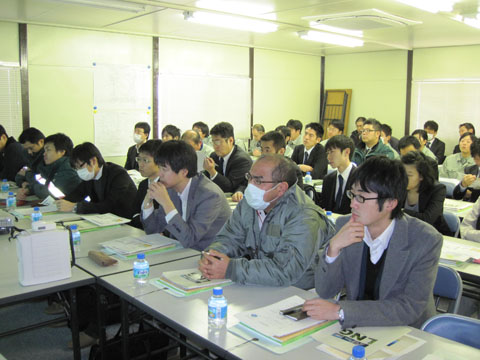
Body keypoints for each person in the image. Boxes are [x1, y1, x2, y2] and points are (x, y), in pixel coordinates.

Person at [303, 156, 442, 328]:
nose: (352, 204)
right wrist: (334, 249)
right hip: (358, 327)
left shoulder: (424, 239)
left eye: (361, 198)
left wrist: (341, 311)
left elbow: (409, 307)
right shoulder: (345, 225)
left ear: (390, 203)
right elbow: (325, 290)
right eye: (352, 195)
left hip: (404, 330)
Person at [199, 154, 333, 289]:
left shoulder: (305, 215)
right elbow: (229, 238)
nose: (250, 185)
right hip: (261, 283)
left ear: (280, 188)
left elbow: (286, 270)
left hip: (301, 292)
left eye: (258, 181)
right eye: (249, 177)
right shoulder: (249, 203)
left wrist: (231, 268)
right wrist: (214, 255)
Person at [141, 141, 231, 251]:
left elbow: (189, 239)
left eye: (164, 169)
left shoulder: (209, 195)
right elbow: (153, 230)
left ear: (184, 172)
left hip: (208, 257)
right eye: (159, 168)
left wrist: (166, 203)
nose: (160, 174)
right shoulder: (171, 188)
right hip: (181, 253)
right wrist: (147, 202)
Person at [56, 142, 137, 218]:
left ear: (93, 161)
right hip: (104, 219)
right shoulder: (90, 177)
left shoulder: (118, 174)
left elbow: (109, 205)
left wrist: (75, 207)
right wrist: (61, 203)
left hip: (125, 220)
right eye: (76, 169)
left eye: (80, 167)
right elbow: (76, 194)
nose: (79, 171)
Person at [231, 131, 303, 202]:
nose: (263, 154)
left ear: (281, 151)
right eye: (262, 150)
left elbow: (296, 199)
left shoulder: (292, 171)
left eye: (267, 150)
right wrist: (239, 192)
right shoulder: (260, 167)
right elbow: (245, 183)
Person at [16, 133, 81, 201]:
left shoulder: (68, 169)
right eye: (44, 150)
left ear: (62, 152)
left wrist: (32, 188)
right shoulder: (49, 166)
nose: (44, 154)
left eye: (48, 150)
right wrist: (28, 189)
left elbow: (49, 193)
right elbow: (41, 183)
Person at [401, 151, 451, 235]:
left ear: (421, 176)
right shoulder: (398, 187)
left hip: (433, 234)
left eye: (409, 175)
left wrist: (400, 211)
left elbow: (427, 219)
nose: (404, 179)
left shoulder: (437, 189)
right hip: (406, 233)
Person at [203, 122, 252, 194]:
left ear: (230, 140)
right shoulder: (214, 155)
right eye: (213, 142)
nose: (214, 146)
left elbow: (229, 187)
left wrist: (212, 171)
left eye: (218, 142)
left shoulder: (242, 159)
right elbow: (206, 178)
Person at [130, 139, 162, 229]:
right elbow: (134, 212)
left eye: (146, 160)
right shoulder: (143, 184)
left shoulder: (166, 185)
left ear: (159, 162)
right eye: (139, 159)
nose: (141, 164)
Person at [320, 135, 356, 214]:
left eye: (332, 152)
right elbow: (324, 206)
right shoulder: (328, 179)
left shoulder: (359, 178)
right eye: (327, 153)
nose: (328, 157)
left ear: (346, 152)